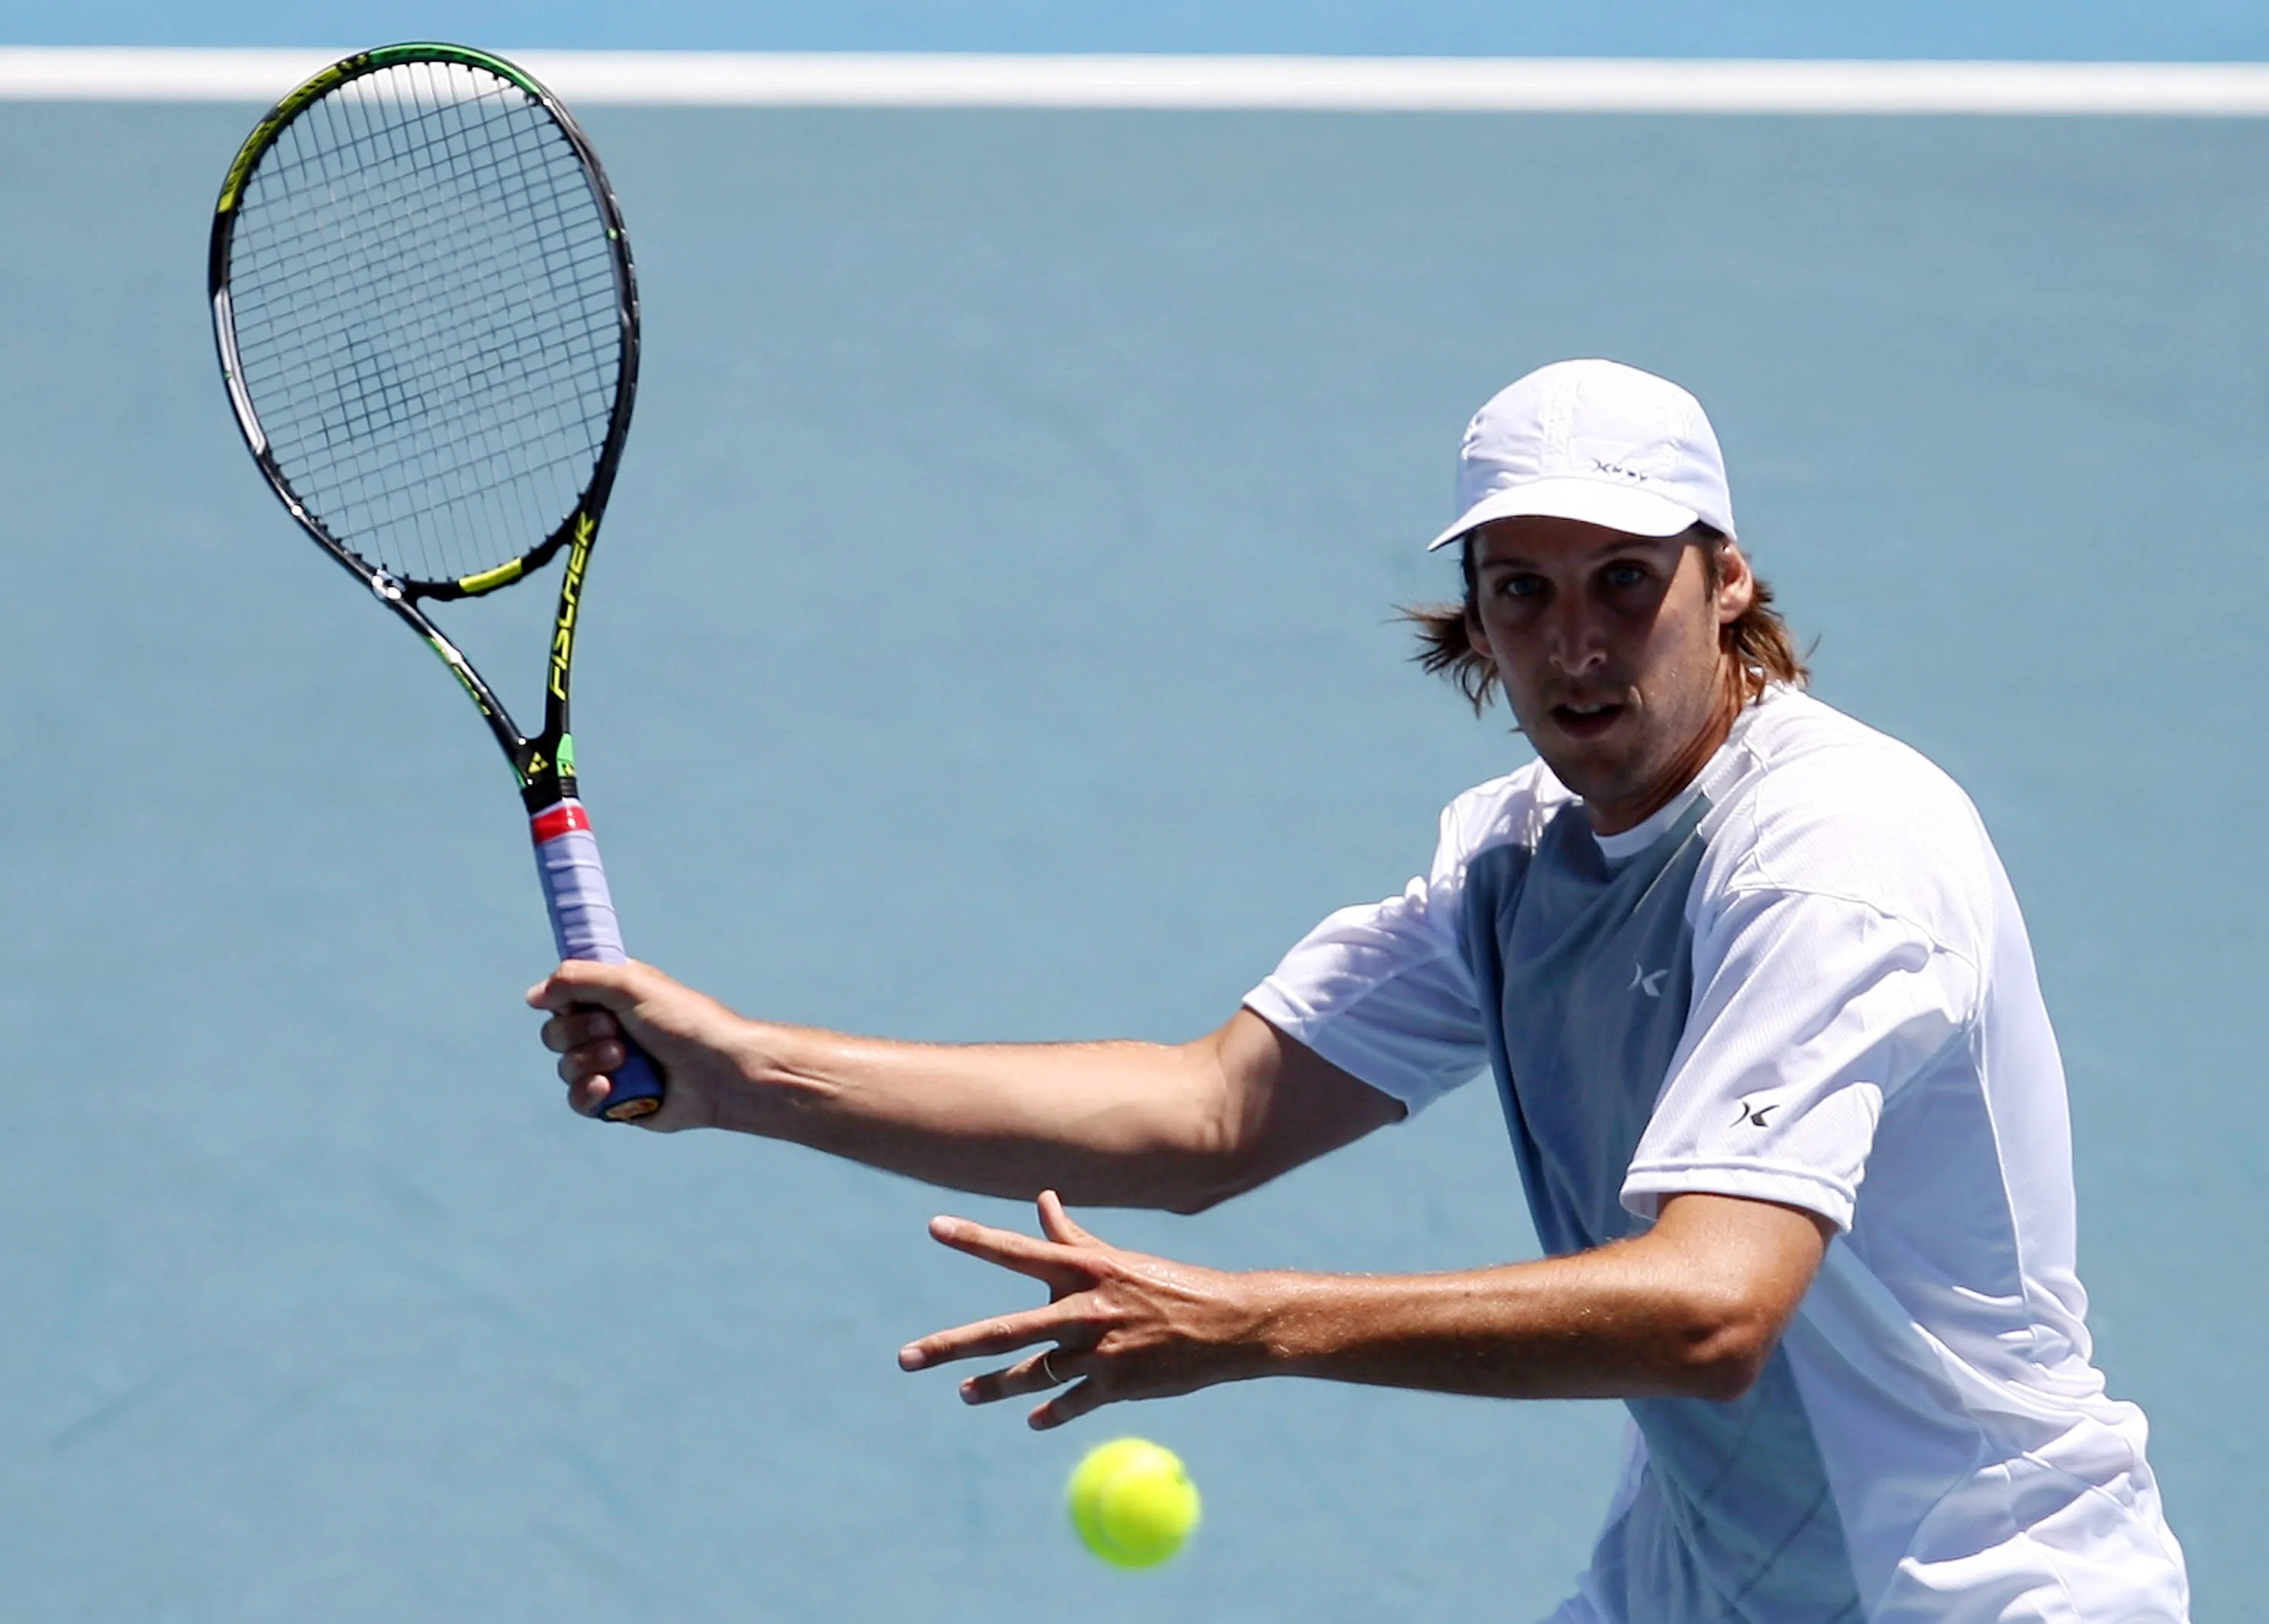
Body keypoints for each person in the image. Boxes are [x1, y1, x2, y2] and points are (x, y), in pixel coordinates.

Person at [532, 359, 2187, 1622]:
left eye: (1625, 578)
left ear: (1727, 579)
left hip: (1986, 1596)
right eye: (1521, 591)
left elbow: (1711, 1309)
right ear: (1475, 617)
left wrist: (1250, 1325)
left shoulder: (1837, 858)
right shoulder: (1518, 865)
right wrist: (743, 1075)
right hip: (1712, 1584)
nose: (1576, 643)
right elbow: (1212, 1113)